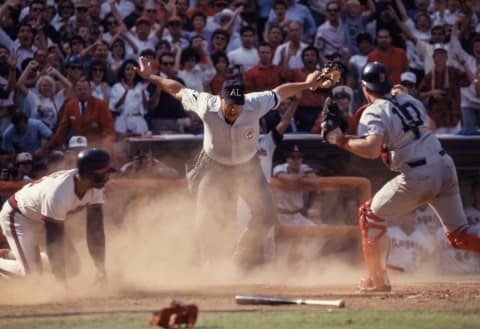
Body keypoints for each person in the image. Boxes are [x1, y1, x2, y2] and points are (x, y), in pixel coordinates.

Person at [134, 55, 324, 270]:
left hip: (247, 166)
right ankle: (206, 265)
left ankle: (242, 256)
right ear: (221, 99)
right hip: (214, 165)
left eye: (238, 105)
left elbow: (282, 91)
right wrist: (151, 77)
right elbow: (177, 89)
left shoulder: (255, 103)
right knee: (205, 216)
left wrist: (307, 85)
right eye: (230, 105)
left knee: (266, 214)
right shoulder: (207, 104)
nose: (234, 109)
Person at [322, 61, 480, 292]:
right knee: (459, 234)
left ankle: (377, 280)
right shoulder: (409, 99)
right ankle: (377, 278)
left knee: (369, 214)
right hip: (444, 164)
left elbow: (371, 149)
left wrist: (339, 139)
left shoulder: (373, 109)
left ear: (365, 88)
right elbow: (432, 127)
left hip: (419, 173)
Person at [0, 148, 114, 282]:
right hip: (19, 216)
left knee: (72, 267)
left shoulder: (95, 188)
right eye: (103, 174)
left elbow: (95, 232)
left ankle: (14, 254)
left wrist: (100, 269)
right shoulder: (59, 194)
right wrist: (61, 283)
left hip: (42, 216)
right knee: (31, 277)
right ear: (88, 175)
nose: (108, 177)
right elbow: (54, 242)